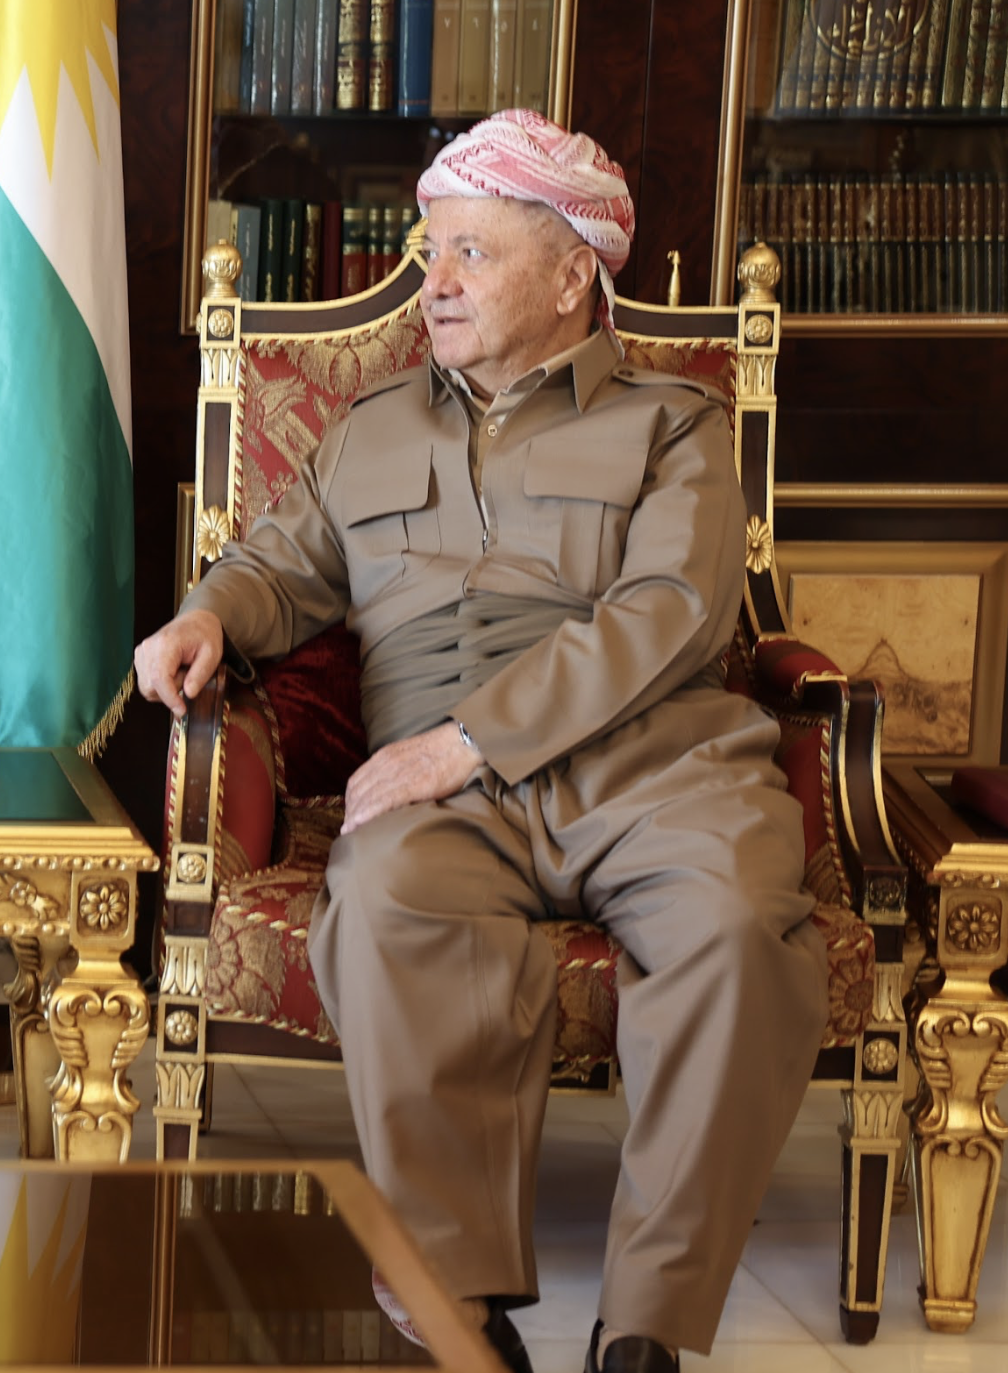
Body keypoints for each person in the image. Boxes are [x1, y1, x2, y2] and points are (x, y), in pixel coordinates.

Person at [134, 112, 826, 1373]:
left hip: (652, 769)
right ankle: (455, 1308)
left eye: (469, 252)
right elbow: (276, 565)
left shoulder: (675, 423)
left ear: (569, 278)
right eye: (429, 249)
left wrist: (467, 739)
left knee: (737, 931)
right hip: (442, 801)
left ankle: (644, 1332)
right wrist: (207, 616)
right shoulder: (370, 426)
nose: (432, 282)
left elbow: (669, 610)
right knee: (386, 893)